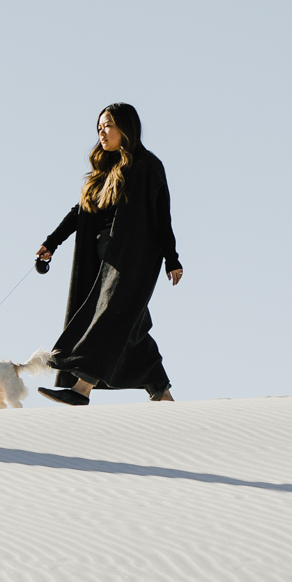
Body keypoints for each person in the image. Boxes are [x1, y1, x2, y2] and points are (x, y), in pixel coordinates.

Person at [34, 103, 183, 406]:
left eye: (109, 126)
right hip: (103, 262)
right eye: (99, 127)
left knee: (108, 318)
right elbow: (81, 212)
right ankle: (161, 393)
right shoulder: (104, 170)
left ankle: (81, 389)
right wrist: (52, 242)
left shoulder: (147, 166)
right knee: (130, 324)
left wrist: (172, 257)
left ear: (126, 128)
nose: (103, 132)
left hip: (133, 259)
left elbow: (161, 215)